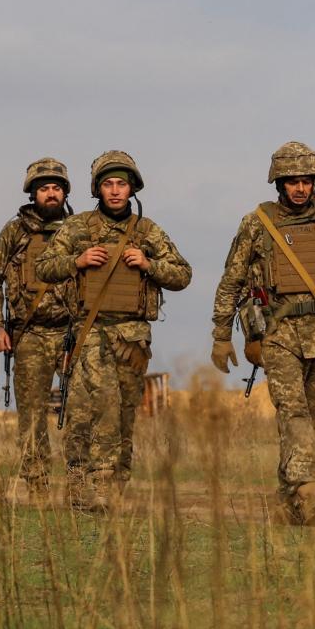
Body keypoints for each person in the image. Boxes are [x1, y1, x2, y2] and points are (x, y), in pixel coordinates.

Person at [210, 141, 315, 525]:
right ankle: (308, 491)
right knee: (294, 411)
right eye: (292, 182)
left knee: (311, 417)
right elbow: (231, 281)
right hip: (277, 334)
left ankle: (288, 502)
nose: (300, 189)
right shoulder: (256, 224)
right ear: (278, 183)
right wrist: (222, 335)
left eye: (306, 181)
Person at [35, 150, 192, 512]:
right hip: (89, 330)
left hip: (132, 339)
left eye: (122, 184)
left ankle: (113, 487)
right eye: (109, 184)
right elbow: (44, 268)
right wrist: (77, 260)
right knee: (94, 409)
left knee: (122, 416)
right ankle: (91, 486)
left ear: (132, 187)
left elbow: (183, 275)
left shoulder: (147, 231)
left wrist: (149, 264)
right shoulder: (77, 228)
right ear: (98, 189)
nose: (116, 191)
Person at [0, 157, 88, 500]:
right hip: (28, 334)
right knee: (31, 417)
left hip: (73, 333)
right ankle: (38, 486)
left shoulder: (80, 230)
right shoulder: (15, 232)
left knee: (82, 409)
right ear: (33, 193)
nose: (51, 193)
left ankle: (79, 482)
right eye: (44, 188)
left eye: (57, 187)